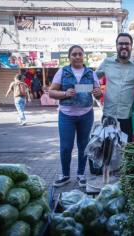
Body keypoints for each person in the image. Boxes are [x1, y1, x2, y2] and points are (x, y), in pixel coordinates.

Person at [49, 45, 102, 187]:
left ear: (83, 56)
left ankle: (81, 174)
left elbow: (97, 92)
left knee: (83, 145)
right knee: (66, 147)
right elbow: (51, 92)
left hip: (86, 115)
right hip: (66, 115)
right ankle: (65, 175)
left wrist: (98, 93)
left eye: (80, 54)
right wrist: (65, 94)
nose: (77, 56)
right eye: (74, 54)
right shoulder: (63, 72)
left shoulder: (91, 73)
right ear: (69, 57)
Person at [96, 32, 134, 142]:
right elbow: (92, 78)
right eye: (120, 43)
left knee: (127, 150)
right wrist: (93, 91)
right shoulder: (107, 62)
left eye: (127, 44)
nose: (123, 46)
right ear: (116, 45)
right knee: (107, 151)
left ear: (131, 46)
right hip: (109, 115)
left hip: (128, 117)